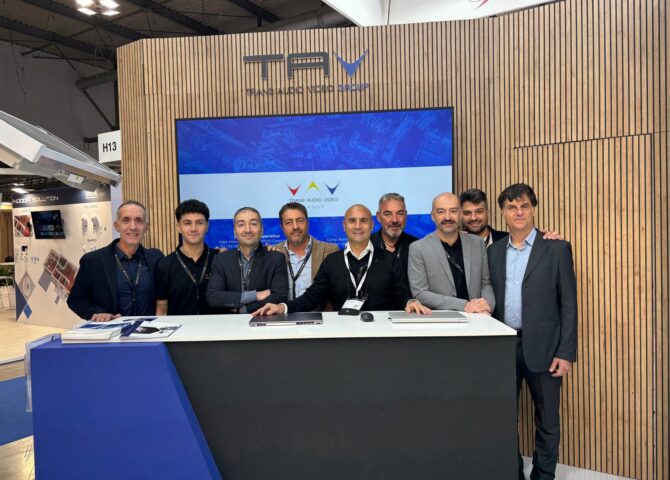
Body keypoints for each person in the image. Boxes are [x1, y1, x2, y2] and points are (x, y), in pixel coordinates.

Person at [487, 183, 577, 480]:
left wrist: (565, 353)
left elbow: (568, 305)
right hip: (504, 347)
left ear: (533, 209)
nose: (519, 212)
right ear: (503, 212)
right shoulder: (494, 251)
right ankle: (512, 472)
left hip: (547, 349)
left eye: (524, 206)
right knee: (503, 418)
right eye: (511, 207)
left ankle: (543, 475)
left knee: (548, 420)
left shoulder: (557, 248)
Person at [253, 204, 431, 316]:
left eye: (363, 221)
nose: (358, 226)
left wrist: (410, 302)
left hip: (382, 332)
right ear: (344, 226)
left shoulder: (390, 259)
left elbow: (401, 294)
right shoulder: (332, 261)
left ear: (371, 225)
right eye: (352, 221)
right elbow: (312, 296)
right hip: (343, 334)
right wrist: (282, 307)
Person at [68, 201, 164, 321]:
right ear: (117, 226)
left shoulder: (156, 258)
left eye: (139, 220)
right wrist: (97, 313)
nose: (133, 227)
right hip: (112, 331)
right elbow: (76, 300)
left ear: (146, 227)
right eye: (126, 220)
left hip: (149, 330)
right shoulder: (93, 261)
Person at [408, 192, 495, 313]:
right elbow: (420, 293)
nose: (447, 217)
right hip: (440, 320)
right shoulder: (418, 248)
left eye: (453, 211)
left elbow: (486, 283)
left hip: (477, 317)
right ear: (432, 216)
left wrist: (487, 306)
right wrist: (464, 305)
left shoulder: (477, 243)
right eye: (441, 211)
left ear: (460, 214)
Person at [206, 207, 288, 313]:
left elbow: (279, 296)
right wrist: (255, 295)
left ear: (262, 230)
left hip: (263, 320)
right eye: (241, 224)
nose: (248, 230)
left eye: (253, 224)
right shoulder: (221, 259)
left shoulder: (276, 258)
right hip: (228, 322)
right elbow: (213, 297)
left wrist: (242, 310)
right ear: (234, 231)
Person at [154, 199, 217, 315]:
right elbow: (162, 309)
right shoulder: (164, 265)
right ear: (178, 227)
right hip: (179, 327)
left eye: (199, 223)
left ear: (207, 226)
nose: (193, 229)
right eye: (187, 223)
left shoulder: (220, 259)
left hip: (216, 326)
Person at [272, 202, 339, 301]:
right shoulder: (273, 253)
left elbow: (336, 292)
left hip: (318, 310)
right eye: (289, 222)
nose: (295, 227)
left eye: (300, 221)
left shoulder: (330, 251)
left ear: (308, 223)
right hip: (282, 310)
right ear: (282, 227)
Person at [370, 193, 418, 273]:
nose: (394, 220)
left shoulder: (417, 246)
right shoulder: (366, 245)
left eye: (400, 213)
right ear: (378, 217)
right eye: (388, 214)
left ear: (406, 215)